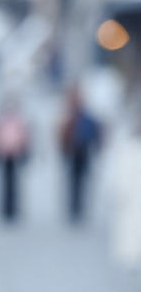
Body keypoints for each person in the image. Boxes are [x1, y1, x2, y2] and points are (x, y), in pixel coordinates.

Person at [57, 84, 102, 222]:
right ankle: (75, 207)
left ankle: (78, 207)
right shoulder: (70, 117)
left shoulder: (80, 116)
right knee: (74, 181)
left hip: (82, 151)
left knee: (80, 181)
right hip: (74, 152)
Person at [0, 95, 30, 221]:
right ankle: (6, 208)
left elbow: (24, 138)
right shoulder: (1, 121)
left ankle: (12, 209)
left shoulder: (17, 121)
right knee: (5, 183)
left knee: (13, 183)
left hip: (14, 154)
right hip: (4, 154)